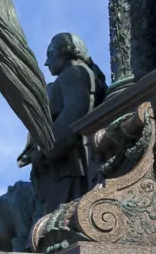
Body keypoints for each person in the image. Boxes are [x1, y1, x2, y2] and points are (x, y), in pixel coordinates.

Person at [17, 32, 108, 216]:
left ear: (65, 51)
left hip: (70, 166)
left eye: (49, 54)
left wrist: (45, 149)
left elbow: (73, 114)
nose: (46, 62)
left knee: (60, 222)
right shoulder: (80, 74)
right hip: (72, 162)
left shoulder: (73, 74)